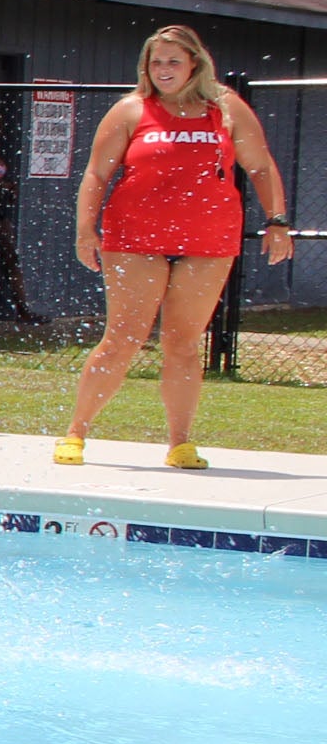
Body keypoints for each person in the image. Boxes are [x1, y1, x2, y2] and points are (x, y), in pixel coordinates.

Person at [56, 24, 294, 469]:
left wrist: (277, 221)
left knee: (183, 343)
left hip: (208, 239)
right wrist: (85, 230)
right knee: (123, 339)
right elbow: (96, 175)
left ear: (194, 64)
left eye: (173, 61)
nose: (164, 70)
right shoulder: (131, 110)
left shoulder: (225, 108)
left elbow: (260, 166)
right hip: (134, 238)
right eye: (156, 62)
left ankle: (180, 443)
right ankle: (76, 433)